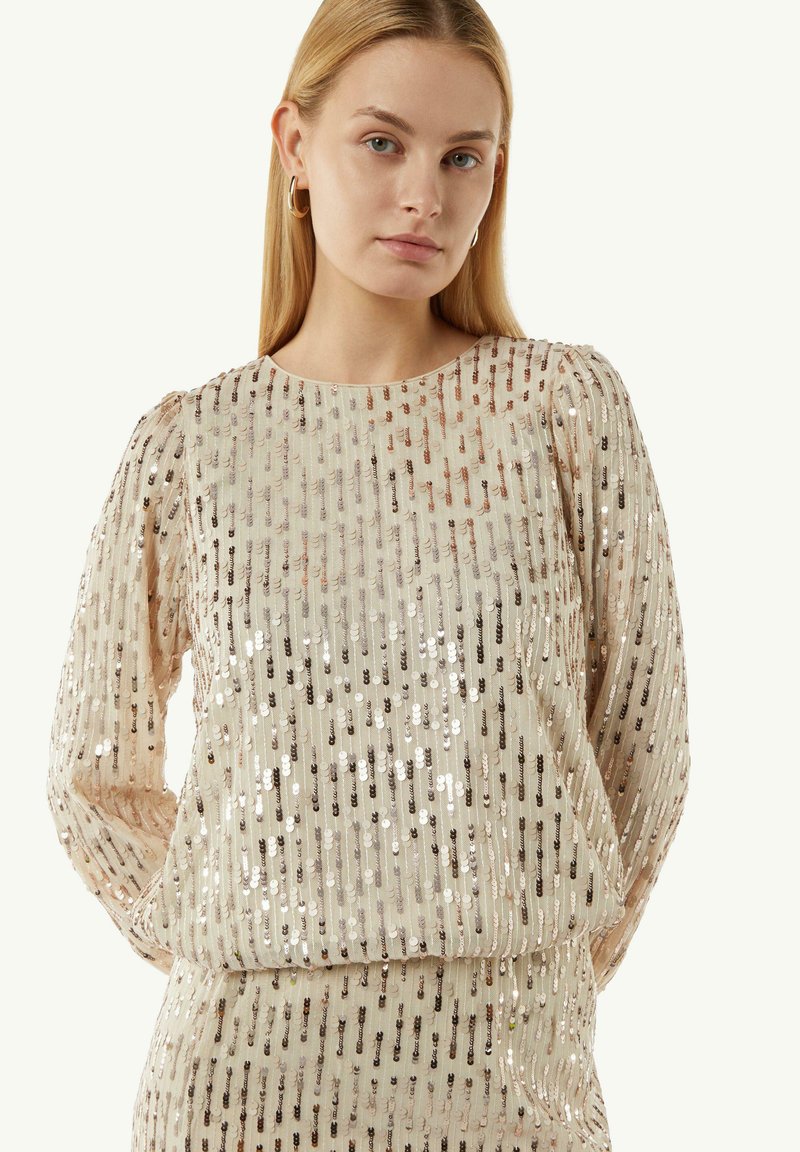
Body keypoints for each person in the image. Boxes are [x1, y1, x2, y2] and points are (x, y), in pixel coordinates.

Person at [46, 2, 692, 1150]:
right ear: (294, 146)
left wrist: (532, 969)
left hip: (514, 1076)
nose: (422, 197)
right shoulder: (192, 449)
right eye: (382, 143)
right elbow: (92, 772)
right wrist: (233, 927)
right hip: (233, 1084)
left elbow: (642, 749)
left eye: (463, 157)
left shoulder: (561, 412)